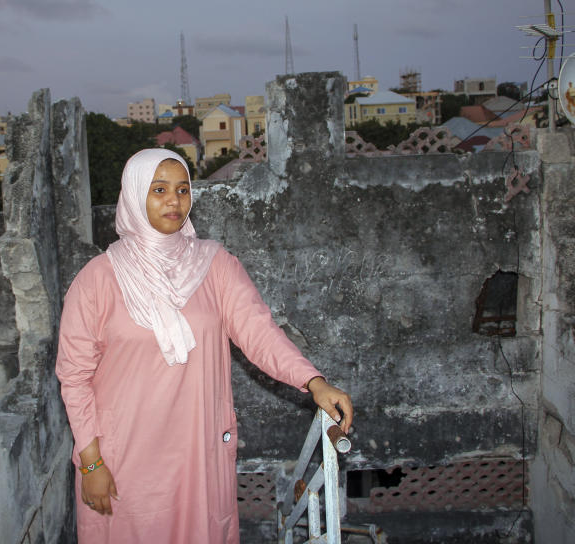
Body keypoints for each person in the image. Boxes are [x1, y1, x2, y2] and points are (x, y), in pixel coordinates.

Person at [55, 148, 353, 543]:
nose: (173, 201)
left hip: (198, 447)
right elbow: (74, 377)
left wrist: (313, 382)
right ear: (134, 194)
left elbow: (259, 332)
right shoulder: (97, 279)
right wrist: (90, 465)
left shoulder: (216, 266)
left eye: (182, 189)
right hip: (123, 455)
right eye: (158, 189)